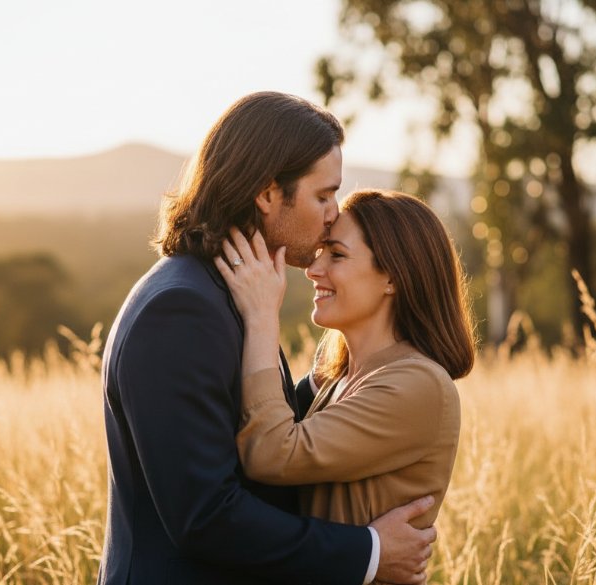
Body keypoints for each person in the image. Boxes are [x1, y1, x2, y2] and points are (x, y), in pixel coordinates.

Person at [98, 93, 437, 585]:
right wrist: (368, 551)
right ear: (267, 194)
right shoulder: (182, 310)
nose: (332, 214)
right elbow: (205, 516)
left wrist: (346, 373)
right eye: (323, 195)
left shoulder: (230, 291)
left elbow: (245, 424)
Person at [215, 189, 475, 542]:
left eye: (337, 254)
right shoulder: (338, 377)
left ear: (392, 277)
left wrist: (261, 317)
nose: (313, 270)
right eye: (321, 251)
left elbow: (271, 454)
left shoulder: (418, 384)